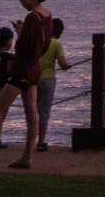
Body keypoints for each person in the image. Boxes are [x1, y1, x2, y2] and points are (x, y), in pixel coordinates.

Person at [0, 0, 54, 170]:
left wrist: (20, 33)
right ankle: (27, 156)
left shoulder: (32, 17)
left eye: (21, 0)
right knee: (32, 113)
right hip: (34, 70)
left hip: (22, 70)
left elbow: (24, 47)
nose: (22, 4)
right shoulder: (48, 15)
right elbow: (43, 44)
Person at [36, 17, 71, 150]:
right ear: (60, 32)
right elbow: (62, 63)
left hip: (34, 79)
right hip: (48, 79)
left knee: (33, 111)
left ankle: (30, 138)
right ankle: (40, 141)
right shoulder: (57, 44)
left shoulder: (40, 41)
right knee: (44, 111)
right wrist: (67, 66)